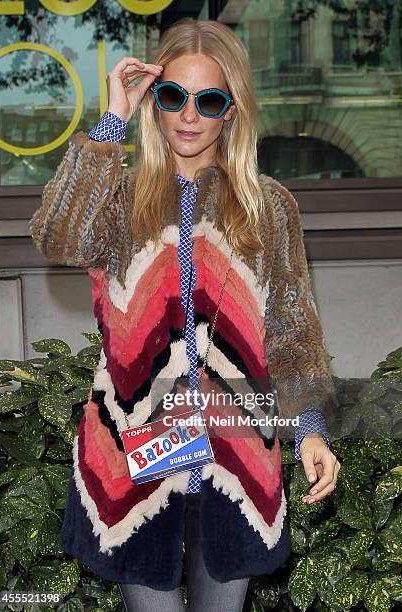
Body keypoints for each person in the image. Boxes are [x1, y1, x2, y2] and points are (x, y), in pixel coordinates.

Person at [29, 17, 341, 612]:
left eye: (209, 99)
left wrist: (310, 431)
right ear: (155, 101)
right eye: (173, 96)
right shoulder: (119, 198)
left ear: (232, 109)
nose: (189, 115)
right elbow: (60, 237)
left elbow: (292, 332)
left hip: (237, 458)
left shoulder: (268, 209)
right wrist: (112, 120)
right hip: (135, 462)